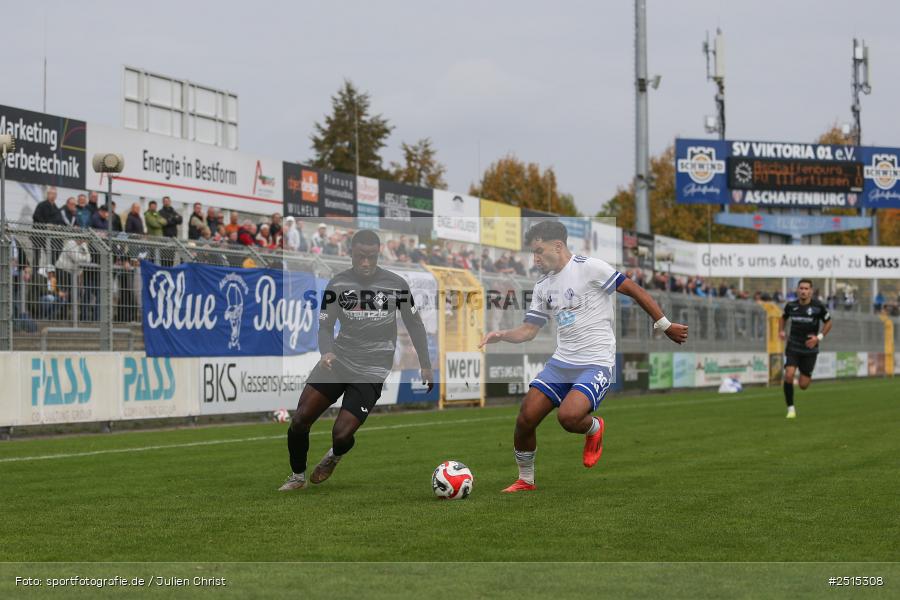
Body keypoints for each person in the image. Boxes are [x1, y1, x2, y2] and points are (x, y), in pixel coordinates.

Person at [479, 221, 688, 493]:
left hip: (595, 362)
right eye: (533, 253)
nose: (535, 258)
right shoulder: (543, 286)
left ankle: (593, 428)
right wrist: (502, 334)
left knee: (568, 417)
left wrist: (664, 325)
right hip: (561, 363)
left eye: (539, 251)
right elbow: (529, 330)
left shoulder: (590, 267)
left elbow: (635, 290)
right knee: (525, 419)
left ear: (558, 245)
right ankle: (525, 480)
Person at [279, 230, 434, 491]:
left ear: (378, 254)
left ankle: (335, 454)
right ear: (351, 253)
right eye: (361, 256)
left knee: (341, 435)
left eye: (371, 257)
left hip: (372, 369)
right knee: (299, 421)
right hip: (338, 360)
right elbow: (325, 327)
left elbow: (415, 325)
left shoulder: (396, 284)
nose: (365, 263)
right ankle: (296, 477)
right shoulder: (337, 284)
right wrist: (326, 351)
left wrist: (426, 365)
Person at [778, 279, 832, 419]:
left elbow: (828, 323)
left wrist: (818, 338)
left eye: (806, 288)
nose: (803, 291)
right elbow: (783, 318)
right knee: (788, 375)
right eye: (801, 288)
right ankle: (791, 409)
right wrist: (781, 331)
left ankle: (805, 373)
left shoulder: (818, 307)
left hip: (810, 348)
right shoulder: (791, 306)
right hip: (793, 345)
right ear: (797, 290)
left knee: (803, 385)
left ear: (811, 291)